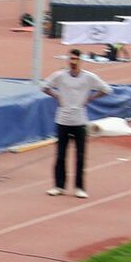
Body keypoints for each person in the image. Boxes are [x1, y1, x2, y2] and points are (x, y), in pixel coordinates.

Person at [42, 49, 112, 199]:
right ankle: (59, 186)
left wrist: (90, 99)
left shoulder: (88, 77)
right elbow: (44, 86)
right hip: (62, 120)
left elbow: (107, 89)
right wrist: (56, 96)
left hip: (80, 121)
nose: (73, 62)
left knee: (80, 156)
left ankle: (79, 187)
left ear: (80, 61)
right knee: (61, 155)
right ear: (68, 60)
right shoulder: (60, 76)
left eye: (76, 59)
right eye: (71, 59)